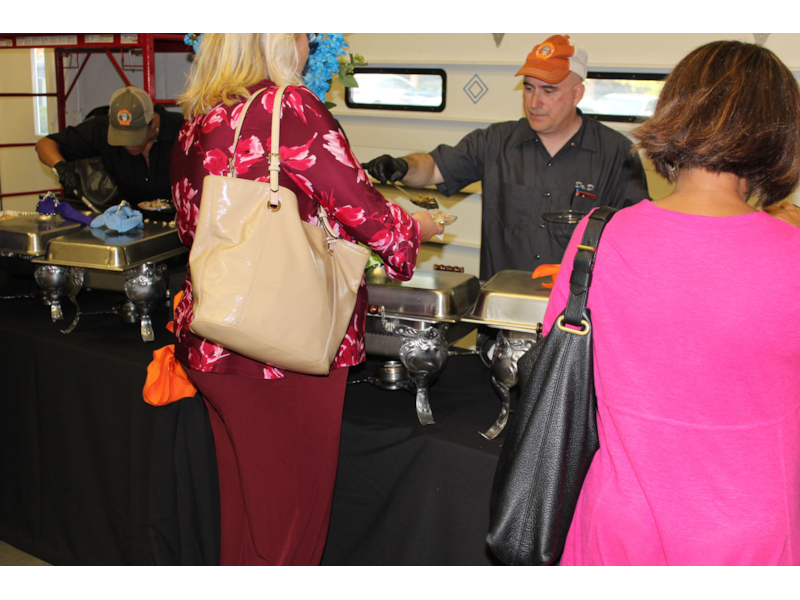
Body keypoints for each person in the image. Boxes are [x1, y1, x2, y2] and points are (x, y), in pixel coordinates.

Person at [170, 33, 443, 567]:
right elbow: (367, 214)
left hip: (214, 338)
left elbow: (192, 225)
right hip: (281, 346)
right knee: (290, 535)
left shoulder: (200, 115)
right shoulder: (287, 106)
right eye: (303, 35)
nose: (309, 46)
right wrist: (419, 226)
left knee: (248, 527)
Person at [543, 40, 800, 566]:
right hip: (750, 533)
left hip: (616, 525)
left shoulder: (598, 237)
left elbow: (557, 365)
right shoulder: (791, 255)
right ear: (778, 133)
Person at [365, 35, 650, 281]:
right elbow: (432, 168)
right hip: (502, 306)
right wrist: (403, 166)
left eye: (548, 90)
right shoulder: (495, 142)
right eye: (529, 88)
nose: (534, 103)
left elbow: (638, 238)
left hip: (574, 311)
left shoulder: (616, 153)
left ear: (577, 94)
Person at [36, 86, 184, 206]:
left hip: (178, 220)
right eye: (122, 137)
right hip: (132, 219)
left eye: (135, 137)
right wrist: (60, 167)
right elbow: (45, 144)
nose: (128, 145)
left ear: (152, 122)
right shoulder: (101, 128)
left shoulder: (183, 129)